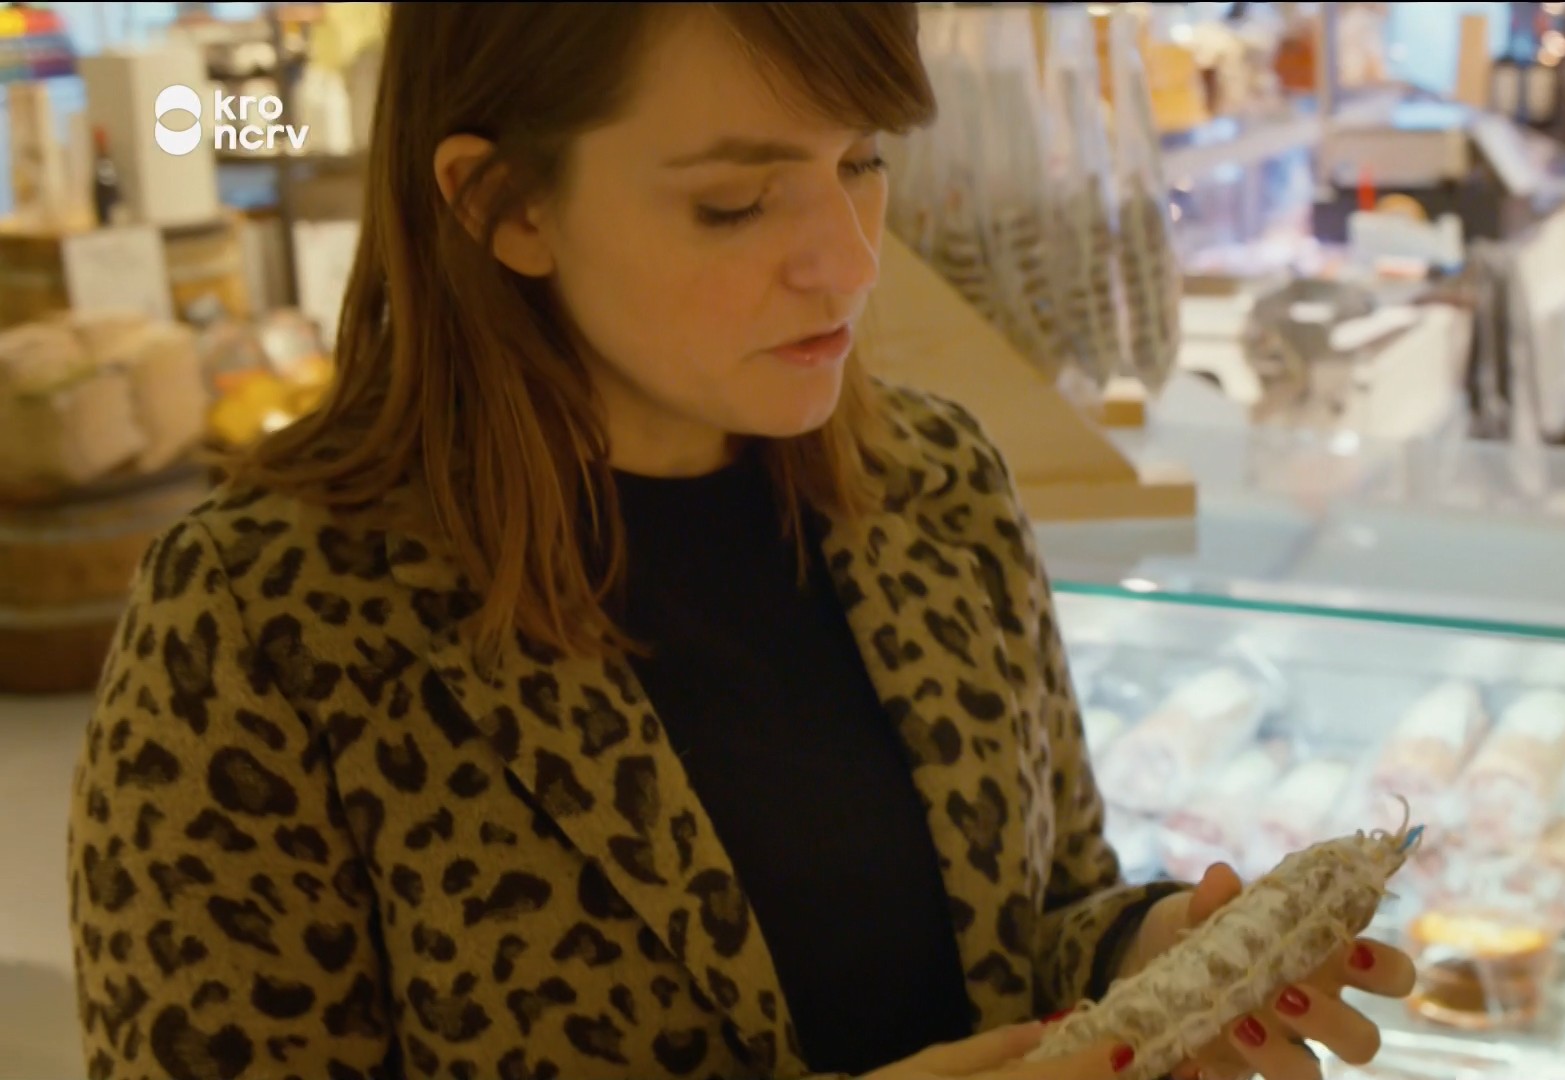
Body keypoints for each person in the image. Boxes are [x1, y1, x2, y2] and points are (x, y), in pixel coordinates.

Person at [66, 5, 1414, 1079]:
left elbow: (1037, 922)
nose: (851, 259)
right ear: (503, 205)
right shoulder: (261, 622)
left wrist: (1149, 959)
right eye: (735, 203)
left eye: (861, 161)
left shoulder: (937, 489)